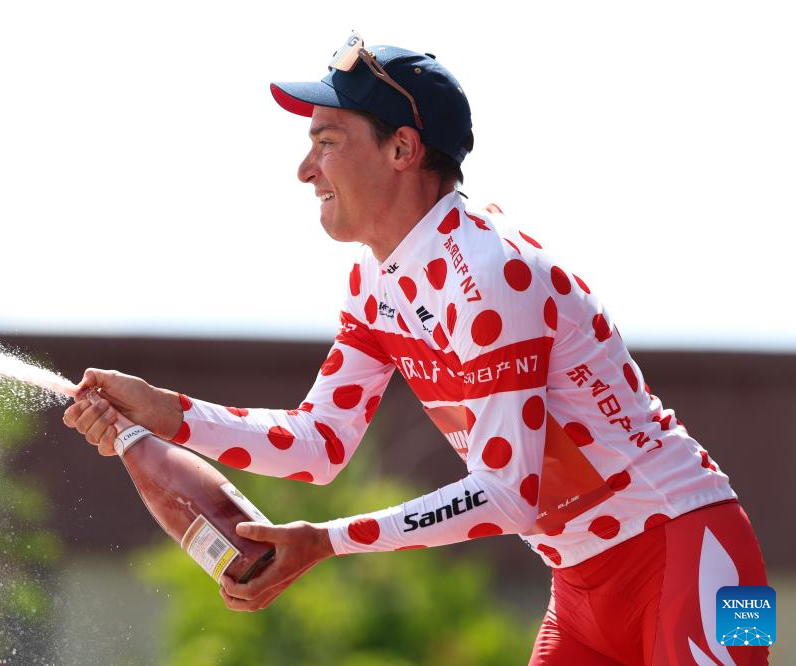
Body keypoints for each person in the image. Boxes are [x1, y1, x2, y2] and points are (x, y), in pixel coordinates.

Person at [63, 33, 769, 665]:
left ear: (401, 149)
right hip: (581, 587)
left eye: (328, 141)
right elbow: (318, 444)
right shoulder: (376, 283)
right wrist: (167, 413)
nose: (305, 170)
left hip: (698, 555)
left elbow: (507, 496)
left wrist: (326, 541)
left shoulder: (490, 271)